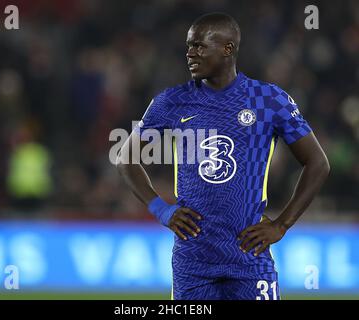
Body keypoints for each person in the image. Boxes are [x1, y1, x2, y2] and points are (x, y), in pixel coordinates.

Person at [116, 12, 330, 300]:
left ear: (227, 49)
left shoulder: (267, 100)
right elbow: (126, 158)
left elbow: (317, 163)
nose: (190, 54)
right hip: (193, 260)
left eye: (200, 46)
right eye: (189, 46)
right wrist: (161, 210)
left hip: (249, 257)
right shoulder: (172, 101)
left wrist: (282, 224)